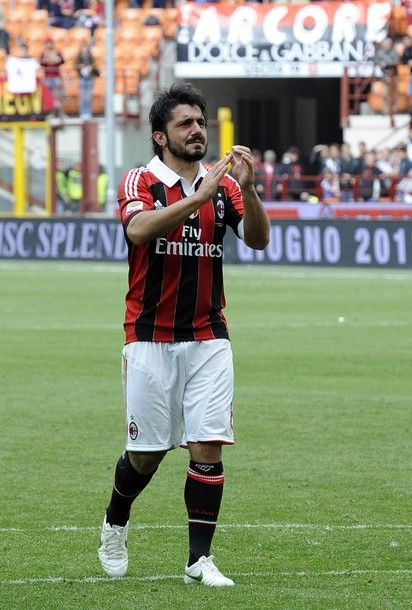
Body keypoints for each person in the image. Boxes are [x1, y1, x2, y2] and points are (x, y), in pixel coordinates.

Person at [97, 81, 270, 587]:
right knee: (146, 454)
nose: (197, 131)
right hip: (150, 336)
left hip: (210, 335)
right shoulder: (141, 181)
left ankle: (199, 560)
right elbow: (138, 230)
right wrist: (201, 197)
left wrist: (250, 189)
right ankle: (115, 520)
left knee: (208, 445)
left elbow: (258, 240)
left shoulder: (227, 186)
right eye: (185, 124)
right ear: (160, 136)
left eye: (201, 122)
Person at [39, 37, 65, 117]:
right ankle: (50, 113)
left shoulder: (57, 51)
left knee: (59, 96)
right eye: (48, 43)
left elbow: (62, 61)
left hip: (56, 76)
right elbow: (41, 63)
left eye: (50, 42)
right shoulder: (44, 52)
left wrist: (56, 58)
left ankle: (61, 114)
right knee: (48, 97)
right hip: (47, 77)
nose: (49, 44)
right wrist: (46, 59)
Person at [74, 41, 99, 119]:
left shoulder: (91, 57)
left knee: (88, 97)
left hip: (89, 78)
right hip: (82, 78)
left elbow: (95, 65)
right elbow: (75, 66)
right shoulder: (78, 58)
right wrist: (80, 67)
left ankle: (88, 113)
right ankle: (82, 112)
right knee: (82, 97)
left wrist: (90, 67)